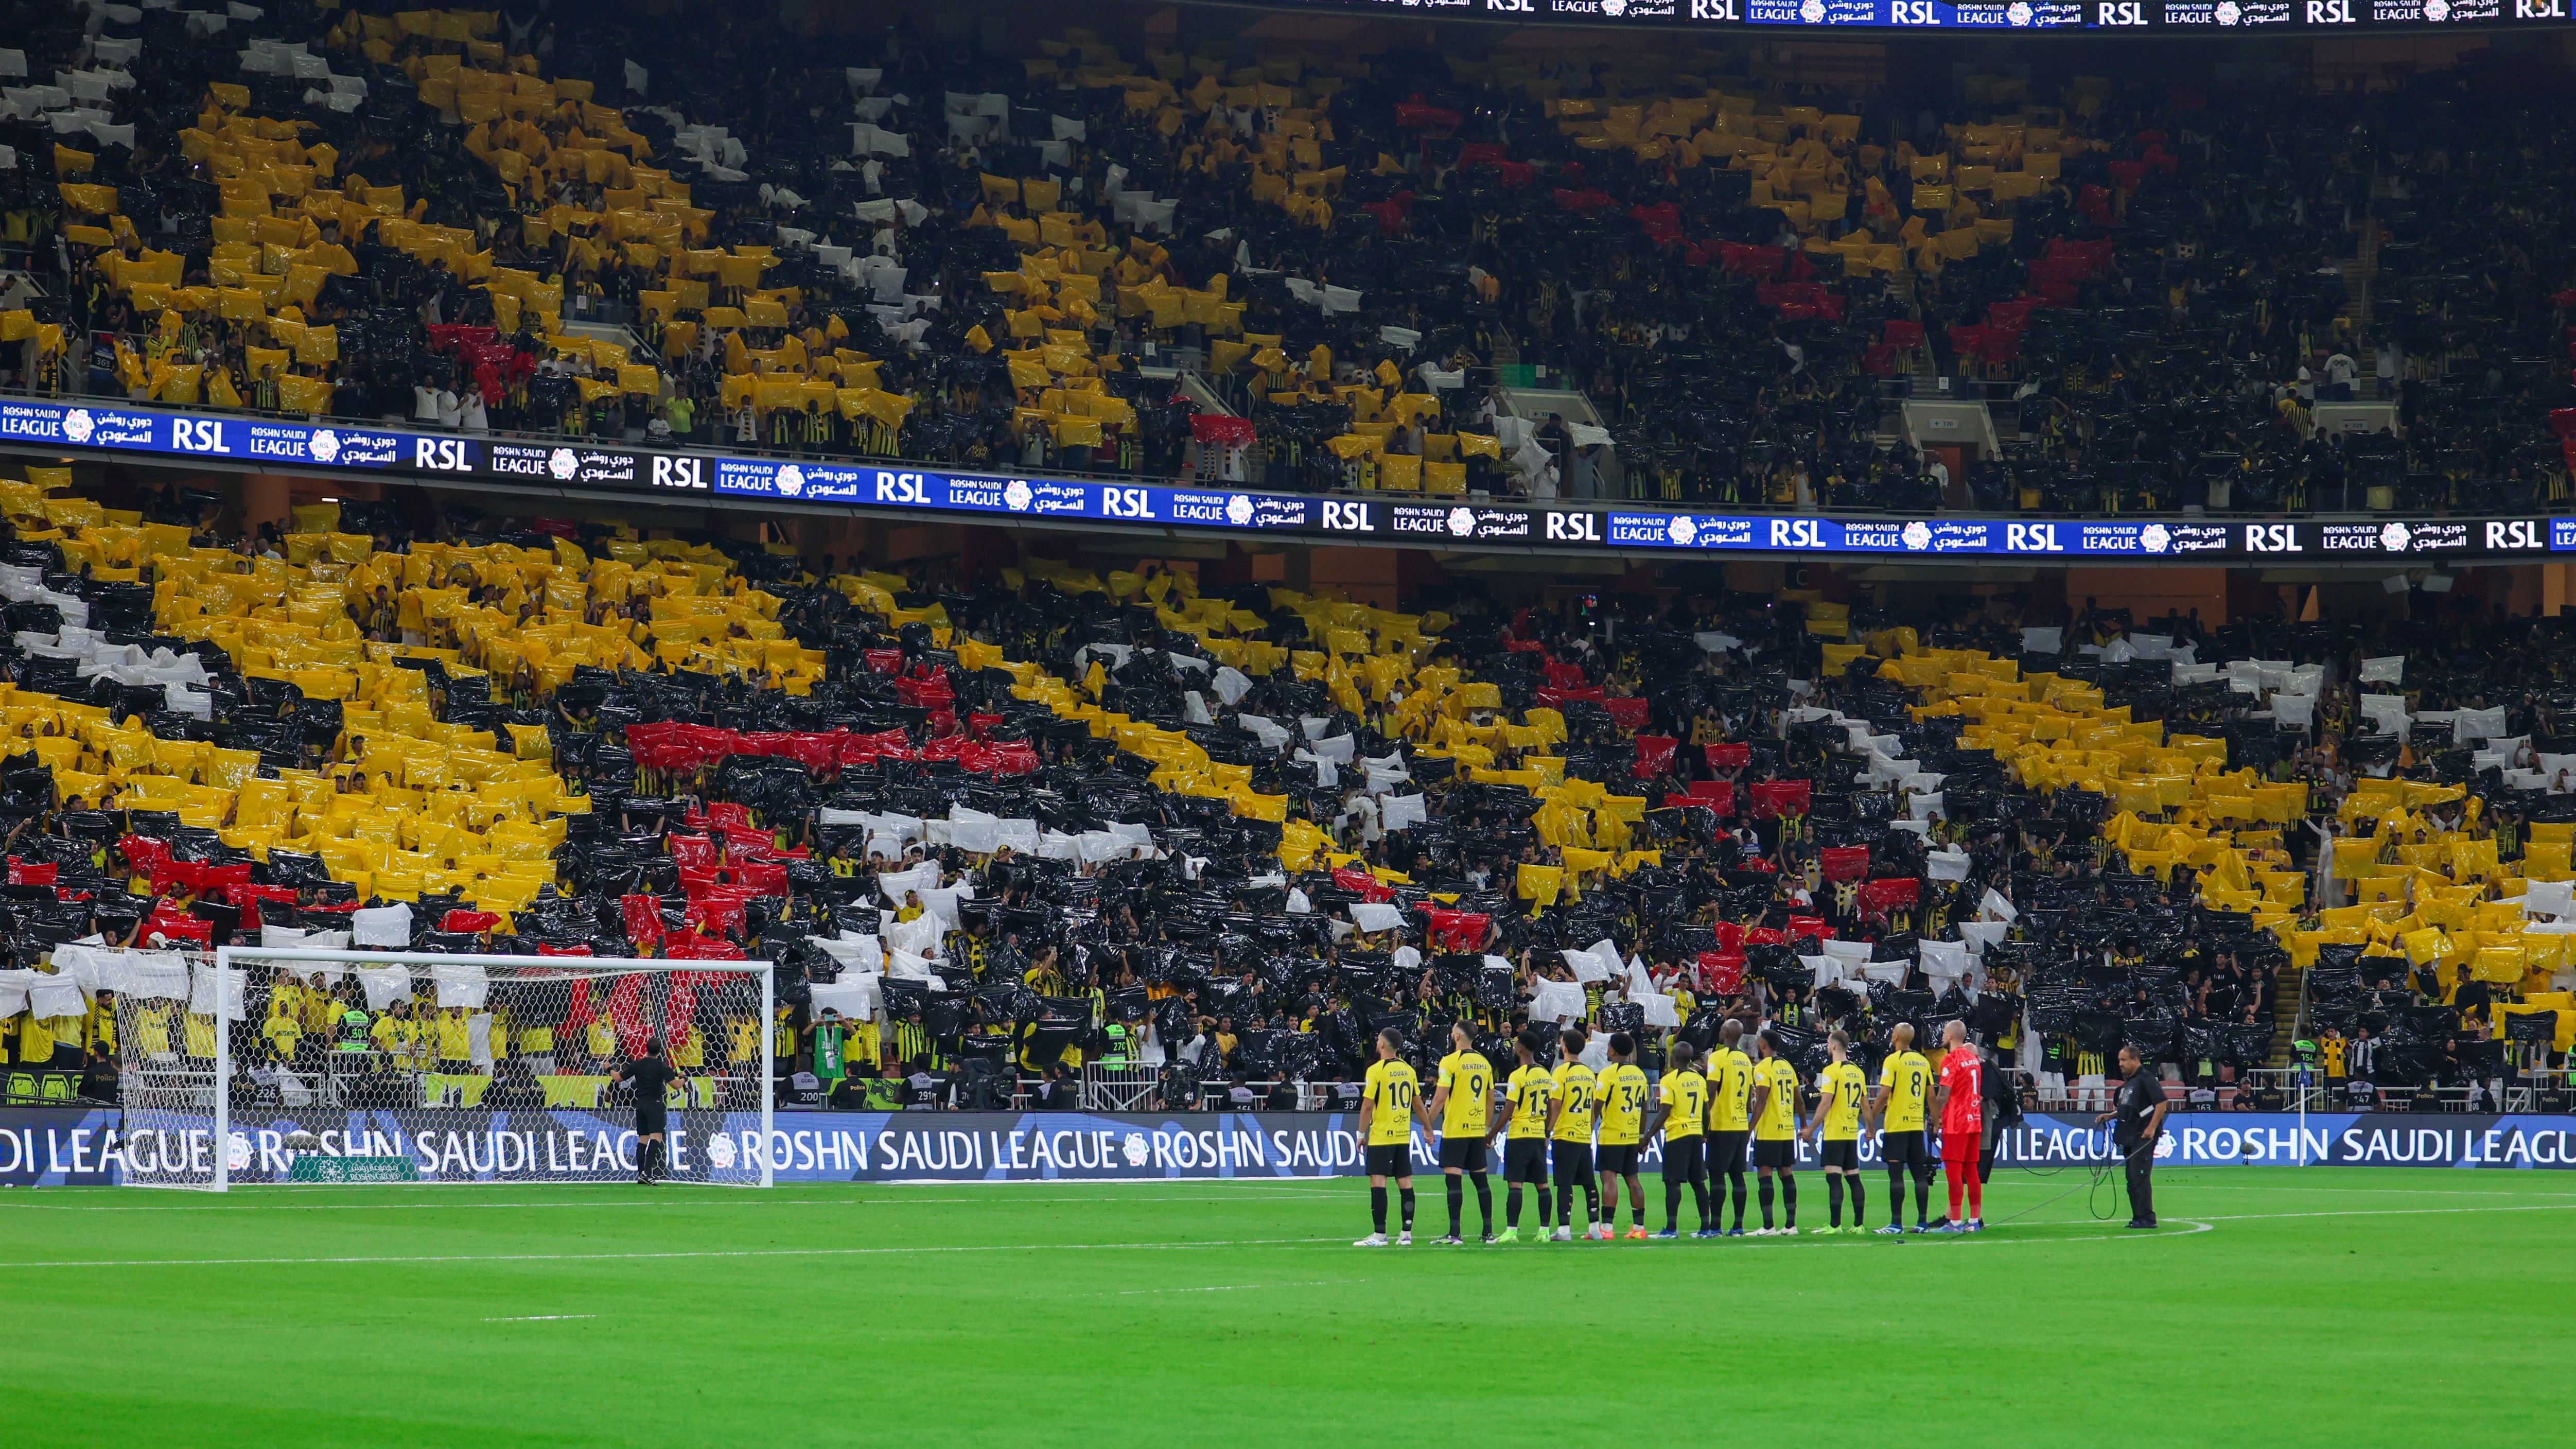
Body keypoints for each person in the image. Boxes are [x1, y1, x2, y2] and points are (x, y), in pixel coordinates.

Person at [1424, 1023, 1496, 1245]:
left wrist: (1428, 1125)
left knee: (1454, 1182)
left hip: (1456, 1129)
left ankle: (1455, 1234)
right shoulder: (1484, 1063)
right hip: (1476, 1129)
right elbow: (1490, 1098)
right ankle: (1488, 1233)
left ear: (1456, 1035)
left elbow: (1439, 1098)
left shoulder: (1450, 1062)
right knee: (1481, 1182)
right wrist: (1487, 1129)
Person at [1354, 1028, 1419, 1248]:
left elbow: (1368, 1105)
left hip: (1382, 1135)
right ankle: (1406, 1234)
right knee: (1405, 1182)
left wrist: (1361, 1134)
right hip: (1402, 1134)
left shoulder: (1376, 1070)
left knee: (1378, 1182)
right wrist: (1427, 1127)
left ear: (1382, 1044)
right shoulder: (1409, 1070)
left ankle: (1380, 1235)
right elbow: (1416, 1101)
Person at [1871, 1022, 1937, 1234]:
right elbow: (1931, 1096)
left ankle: (1896, 1224)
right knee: (1919, 1174)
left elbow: (1883, 1095)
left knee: (1896, 1175)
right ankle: (1922, 1223)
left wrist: (1870, 1120)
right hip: (1917, 1125)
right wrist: (1937, 1121)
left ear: (1897, 1038)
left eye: (1893, 1033)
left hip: (1897, 1125)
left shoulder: (1892, 1061)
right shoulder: (1923, 1061)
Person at [1801, 1028, 1869, 1235]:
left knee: (1834, 1178)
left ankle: (1835, 1225)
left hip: (1835, 1131)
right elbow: (1866, 1104)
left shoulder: (1832, 1071)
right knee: (1854, 1178)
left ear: (1833, 1046)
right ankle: (1859, 1226)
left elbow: (1825, 1104)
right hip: (1851, 1131)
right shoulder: (1858, 1071)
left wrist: (1811, 1129)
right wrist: (1871, 1128)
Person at [1493, 1027, 1557, 1244]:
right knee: (1542, 1184)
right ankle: (1545, 1231)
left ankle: (1512, 1231)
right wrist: (1547, 1131)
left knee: (1515, 1184)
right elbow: (1550, 1107)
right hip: (1539, 1135)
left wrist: (1491, 1134)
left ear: (1520, 1048)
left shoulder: (1518, 1075)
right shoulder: (1545, 1074)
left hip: (1520, 1134)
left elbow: (1508, 1109)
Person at [1640, 1040, 1710, 1239]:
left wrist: (1647, 1138)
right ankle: (1706, 1229)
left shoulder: (1670, 1080)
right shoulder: (1699, 1079)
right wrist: (1705, 1133)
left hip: (1678, 1134)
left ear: (1675, 1058)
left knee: (1672, 1182)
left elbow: (1665, 1111)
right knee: (1699, 1183)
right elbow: (1706, 1110)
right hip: (1696, 1134)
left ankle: (1671, 1229)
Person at [2096, 1044, 2169, 1230]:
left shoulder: (2146, 1079)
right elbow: (2128, 1108)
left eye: (2124, 1060)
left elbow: (2162, 1103)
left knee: (2140, 1176)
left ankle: (2147, 1218)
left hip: (2142, 1135)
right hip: (2129, 1135)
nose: (2120, 1063)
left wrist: (2152, 1128)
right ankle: (2138, 1216)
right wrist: (2110, 1116)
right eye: (2120, 1060)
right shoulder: (2128, 1084)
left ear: (2135, 1060)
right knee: (2132, 1177)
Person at [1592, 1032, 1651, 1241]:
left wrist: (1588, 1128)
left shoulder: (1608, 1074)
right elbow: (1644, 1108)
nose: (1607, 1050)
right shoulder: (1639, 1074)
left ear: (1614, 1050)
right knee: (1633, 1180)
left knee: (1609, 1180)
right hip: (1632, 1135)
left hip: (1612, 1134)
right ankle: (1639, 1228)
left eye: (1609, 1047)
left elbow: (1597, 1106)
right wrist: (1641, 1136)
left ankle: (1607, 1228)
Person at [1746, 1030, 1801, 1235]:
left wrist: (1749, 1129)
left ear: (1762, 1045)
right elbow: (1799, 1100)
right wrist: (1803, 1124)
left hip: (1769, 1129)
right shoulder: (1787, 1066)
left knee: (1765, 1173)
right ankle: (1791, 1225)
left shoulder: (1763, 1068)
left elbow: (1761, 1101)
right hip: (1787, 1129)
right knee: (1786, 1174)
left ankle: (1768, 1225)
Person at [1550, 1026, 1602, 1241]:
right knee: (1589, 1183)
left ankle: (1564, 1229)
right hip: (1583, 1134)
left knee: (1564, 1182)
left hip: (1565, 1134)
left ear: (1564, 1047)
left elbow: (1556, 1106)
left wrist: (1547, 1131)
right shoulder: (1589, 1074)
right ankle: (1595, 1228)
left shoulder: (1561, 1072)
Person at [605, 1033, 677, 1184]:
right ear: (660, 1051)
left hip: (641, 1104)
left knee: (643, 1139)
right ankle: (648, 1173)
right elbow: (676, 1085)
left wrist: (609, 1069)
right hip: (655, 1104)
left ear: (646, 1049)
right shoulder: (663, 1067)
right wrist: (684, 1078)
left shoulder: (638, 1064)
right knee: (657, 1138)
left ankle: (641, 1174)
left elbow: (618, 1078)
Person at [1934, 1020, 1986, 1233]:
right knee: (1972, 1171)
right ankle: (1974, 1220)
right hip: (1974, 1119)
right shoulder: (1974, 1060)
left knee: (1954, 1172)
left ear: (1952, 1036)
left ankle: (1954, 1222)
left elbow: (1944, 1094)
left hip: (1956, 1122)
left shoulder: (1950, 1060)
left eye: (1945, 1032)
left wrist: (1934, 1115)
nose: (1943, 1035)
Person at [1705, 1019, 1755, 1236]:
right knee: (1737, 1176)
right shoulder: (1745, 1060)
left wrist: (1704, 1124)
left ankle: (1715, 1227)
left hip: (1722, 1124)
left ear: (1725, 1034)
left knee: (1717, 1175)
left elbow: (1711, 1092)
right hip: (1741, 1124)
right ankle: (1738, 1226)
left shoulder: (1717, 1058)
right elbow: (1749, 1095)